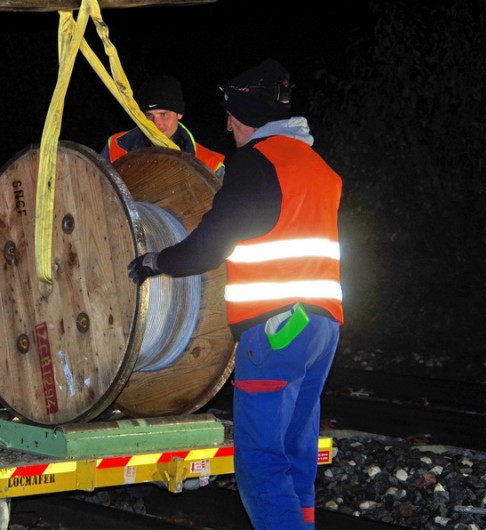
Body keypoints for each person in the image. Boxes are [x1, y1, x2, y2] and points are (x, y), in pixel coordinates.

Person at [127, 58, 343, 529]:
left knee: (261, 463)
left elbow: (213, 241)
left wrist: (155, 263)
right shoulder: (317, 166)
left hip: (276, 329)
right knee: (296, 453)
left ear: (250, 114)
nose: (226, 125)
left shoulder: (258, 163)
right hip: (322, 327)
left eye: (230, 115)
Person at [100, 74, 226, 179]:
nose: (156, 124)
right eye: (149, 116)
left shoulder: (209, 163)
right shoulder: (116, 146)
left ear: (179, 114)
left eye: (164, 114)